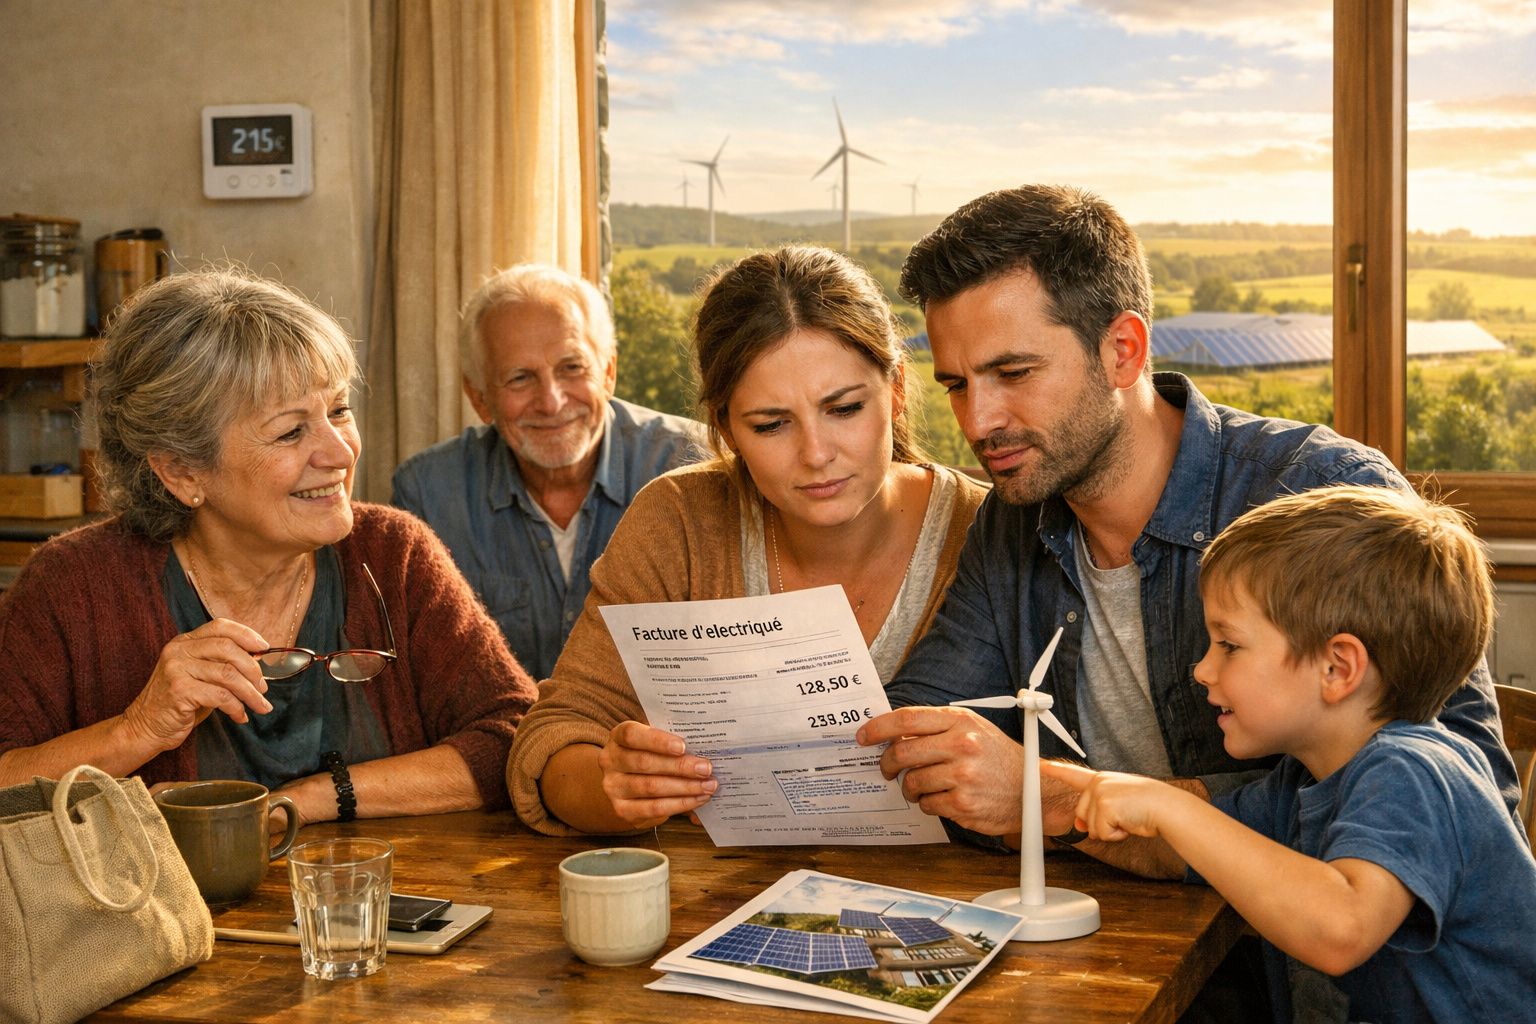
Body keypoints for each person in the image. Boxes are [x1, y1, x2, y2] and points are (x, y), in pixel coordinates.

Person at [857, 184, 1516, 850]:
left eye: (1015, 372)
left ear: (1123, 350)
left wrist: (1066, 802)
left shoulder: (1320, 489)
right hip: (1112, 943)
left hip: (1280, 955)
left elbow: (1462, 794)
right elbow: (913, 729)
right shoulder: (1011, 519)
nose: (978, 422)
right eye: (956, 385)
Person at [0, 270, 538, 826]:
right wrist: (138, 729)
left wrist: (307, 800)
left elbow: (517, 742)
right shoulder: (72, 585)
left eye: (338, 410)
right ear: (182, 471)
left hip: (381, 907)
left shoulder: (393, 553)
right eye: (290, 432)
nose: (338, 452)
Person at [507, 245, 990, 836]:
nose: (816, 454)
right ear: (725, 427)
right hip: (720, 901)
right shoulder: (680, 520)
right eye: (770, 425)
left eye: (844, 409)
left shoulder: (988, 530)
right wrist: (614, 787)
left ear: (894, 389)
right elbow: (555, 738)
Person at [1043, 485, 1536, 1023]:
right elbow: (1182, 850)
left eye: (1228, 645)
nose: (1203, 669)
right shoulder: (1301, 784)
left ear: (1337, 668)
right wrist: (1040, 788)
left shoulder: (1414, 772)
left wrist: (1170, 806)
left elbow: (1341, 929)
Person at [392, 264, 703, 679]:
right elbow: (420, 678)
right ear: (480, 398)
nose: (552, 403)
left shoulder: (692, 465)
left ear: (608, 372)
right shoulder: (428, 496)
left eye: (572, 368)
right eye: (520, 378)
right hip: (506, 742)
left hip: (655, 741)